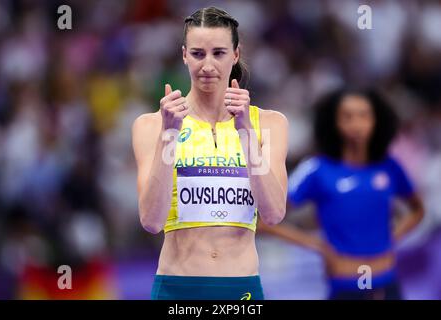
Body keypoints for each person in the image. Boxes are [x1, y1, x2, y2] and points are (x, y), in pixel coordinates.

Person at [132, 6, 288, 300]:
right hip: (177, 289)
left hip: (241, 288)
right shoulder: (152, 125)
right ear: (184, 55)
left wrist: (244, 131)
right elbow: (152, 221)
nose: (207, 65)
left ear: (236, 55)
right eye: (198, 54)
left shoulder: (269, 123)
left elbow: (274, 213)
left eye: (218, 53)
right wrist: (169, 135)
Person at [259, 88, 424, 300]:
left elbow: (417, 210)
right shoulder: (317, 170)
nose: (357, 124)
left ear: (376, 120)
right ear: (333, 123)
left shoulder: (390, 167)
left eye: (364, 116)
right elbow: (264, 219)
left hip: (387, 281)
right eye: (347, 117)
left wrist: (392, 237)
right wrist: (316, 244)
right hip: (345, 284)